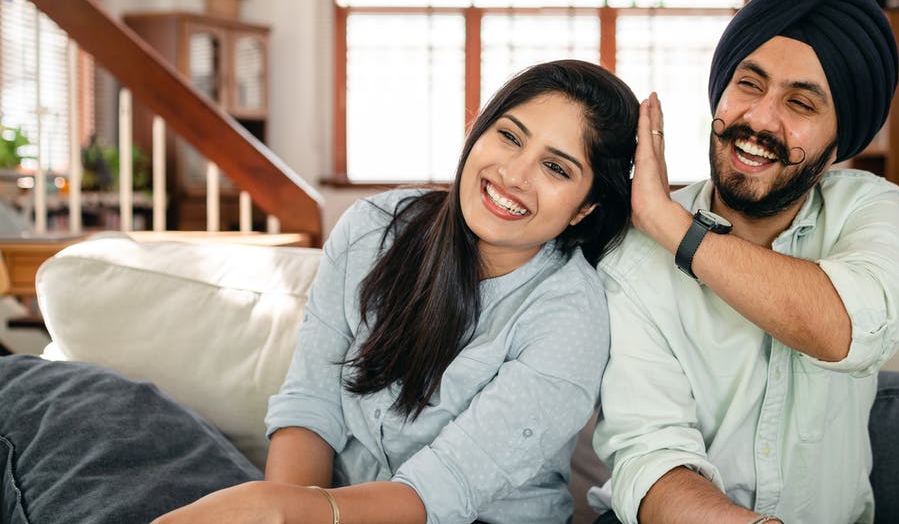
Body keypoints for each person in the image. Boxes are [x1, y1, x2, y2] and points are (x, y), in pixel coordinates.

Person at [151, 59, 640, 523]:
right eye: (509, 136)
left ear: (584, 209)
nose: (514, 175)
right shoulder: (374, 228)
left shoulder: (572, 316)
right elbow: (310, 404)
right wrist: (287, 507)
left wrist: (292, 512)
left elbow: (444, 488)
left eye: (556, 168)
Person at [590, 0, 899, 523]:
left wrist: (675, 227)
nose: (761, 119)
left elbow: (851, 331)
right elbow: (650, 458)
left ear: (838, 145)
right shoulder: (634, 256)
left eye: (801, 103)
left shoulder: (868, 207)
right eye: (749, 84)